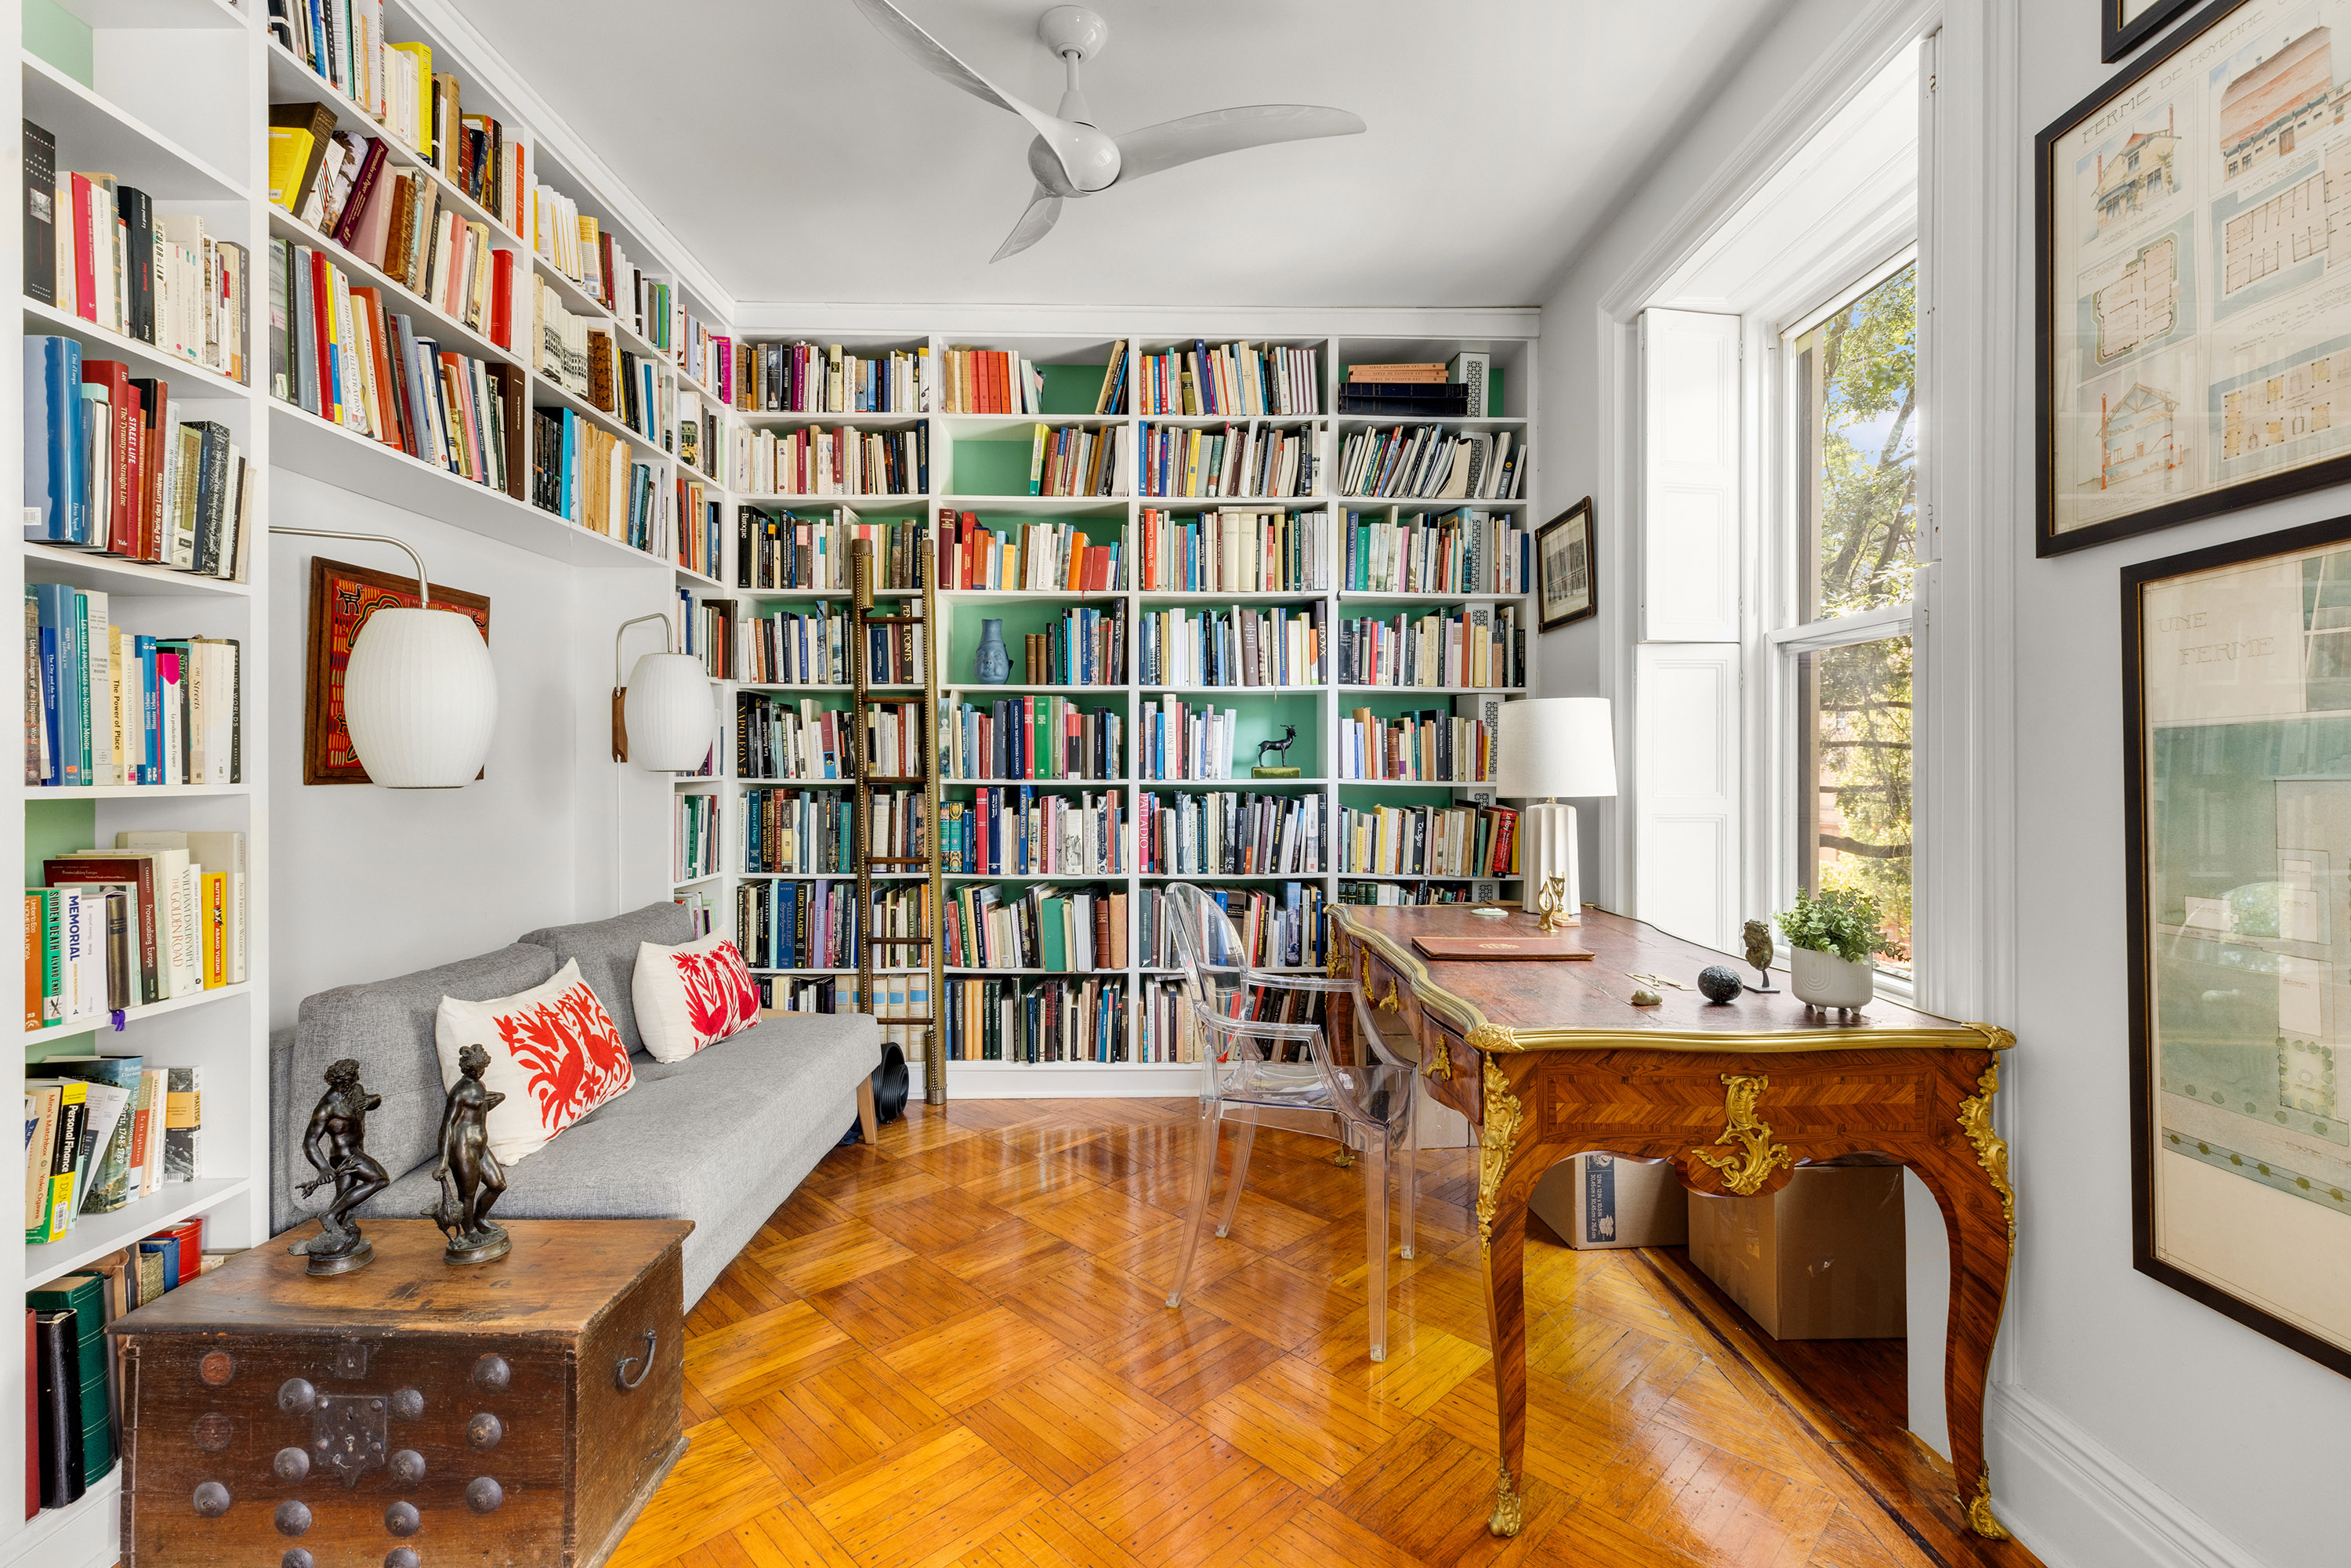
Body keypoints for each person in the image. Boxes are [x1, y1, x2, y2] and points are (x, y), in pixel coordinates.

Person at [289, 1057, 389, 1268]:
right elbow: (309, 1142)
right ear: (343, 1080)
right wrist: (323, 1167)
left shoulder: (356, 1090)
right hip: (345, 1156)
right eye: (354, 1076)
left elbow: (367, 1103)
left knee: (343, 1197)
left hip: (356, 1150)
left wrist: (375, 1100)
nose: (358, 1078)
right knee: (380, 1179)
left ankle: (331, 1239)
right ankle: (329, 1215)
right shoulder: (327, 1106)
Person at [428, 1042, 509, 1261]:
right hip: (462, 1147)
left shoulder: (479, 1085)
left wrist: (494, 1099)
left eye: (482, 1068)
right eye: (476, 1069)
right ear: (468, 1069)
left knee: (497, 1185)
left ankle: (479, 1219)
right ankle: (469, 1232)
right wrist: (443, 1160)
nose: (480, 1072)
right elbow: (447, 1126)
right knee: (468, 1193)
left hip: (480, 1145)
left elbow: (478, 1109)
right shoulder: (459, 1092)